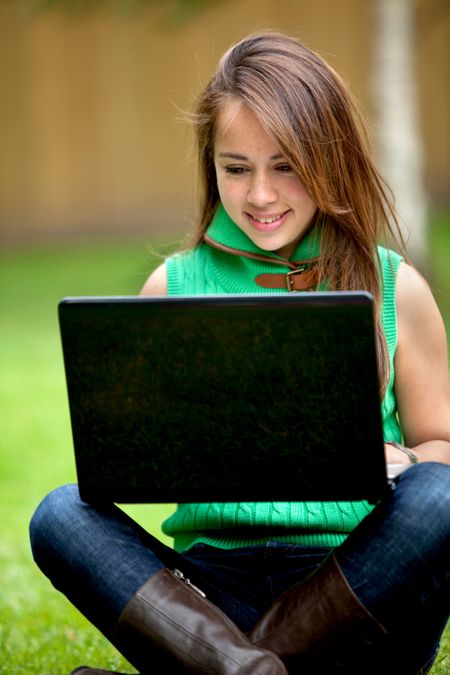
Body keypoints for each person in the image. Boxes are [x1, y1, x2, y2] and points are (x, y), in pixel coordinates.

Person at [30, 32, 450, 675]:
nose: (260, 196)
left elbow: (442, 450)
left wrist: (399, 461)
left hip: (361, 587)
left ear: (329, 156)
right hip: (206, 596)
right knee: (59, 514)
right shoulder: (170, 288)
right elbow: (130, 462)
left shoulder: (396, 287)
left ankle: (222, 668)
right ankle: (249, 666)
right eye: (236, 168)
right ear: (211, 167)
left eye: (286, 166)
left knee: (441, 497)